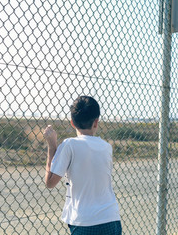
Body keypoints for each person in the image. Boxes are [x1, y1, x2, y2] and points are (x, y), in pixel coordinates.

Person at [43, 95, 122, 235]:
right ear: (96, 122)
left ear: (72, 123)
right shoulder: (106, 147)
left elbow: (49, 182)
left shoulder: (69, 145)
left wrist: (52, 146)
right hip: (111, 218)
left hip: (85, 222)